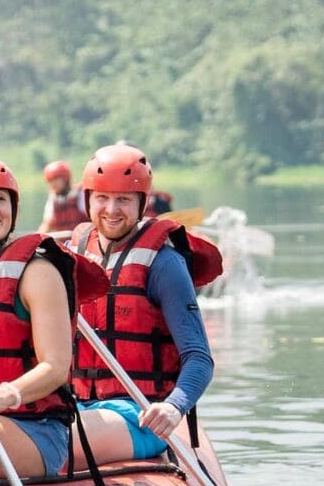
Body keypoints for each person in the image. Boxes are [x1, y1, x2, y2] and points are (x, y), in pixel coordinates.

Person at [0, 157, 110, 481]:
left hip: (37, 431)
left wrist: (4, 395)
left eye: (0, 199)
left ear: (13, 208)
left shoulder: (38, 272)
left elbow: (56, 366)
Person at [66, 144, 222, 460]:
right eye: (102, 198)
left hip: (140, 413)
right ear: (88, 201)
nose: (111, 210)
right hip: (77, 405)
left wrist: (173, 407)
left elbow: (199, 357)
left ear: (142, 204)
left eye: (123, 199)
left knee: (55, 442)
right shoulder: (73, 255)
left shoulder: (165, 264)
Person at [38, 160, 86, 235]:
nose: (53, 184)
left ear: (65, 179)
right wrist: (34, 241)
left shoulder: (81, 194)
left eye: (55, 179)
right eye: (50, 181)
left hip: (83, 243)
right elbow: (47, 225)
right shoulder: (53, 200)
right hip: (63, 245)